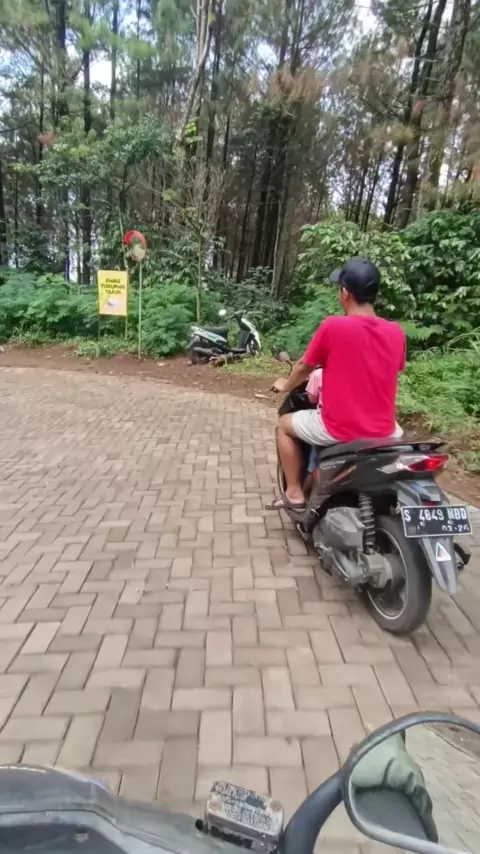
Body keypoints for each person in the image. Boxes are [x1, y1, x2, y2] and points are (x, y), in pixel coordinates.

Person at [270, 257, 406, 510]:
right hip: (386, 431)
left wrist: (286, 385)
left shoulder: (334, 326)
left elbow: (304, 366)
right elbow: (392, 367)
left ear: (345, 292)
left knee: (284, 426)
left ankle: (295, 492)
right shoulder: (395, 331)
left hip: (339, 428)